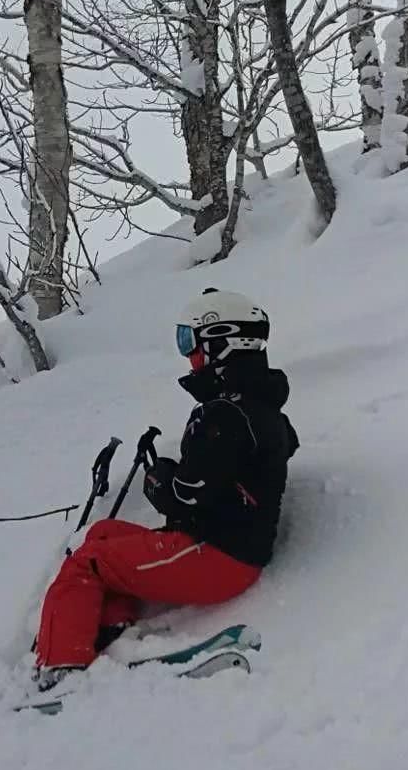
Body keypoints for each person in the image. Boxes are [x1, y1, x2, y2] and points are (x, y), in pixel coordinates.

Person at [34, 289, 299, 682]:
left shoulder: (227, 414)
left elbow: (187, 495)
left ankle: (59, 668)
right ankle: (107, 629)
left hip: (218, 557)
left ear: (223, 343)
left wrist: (159, 480)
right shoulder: (252, 408)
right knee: (103, 533)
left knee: (86, 562)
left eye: (190, 341)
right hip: (221, 545)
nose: (188, 355)